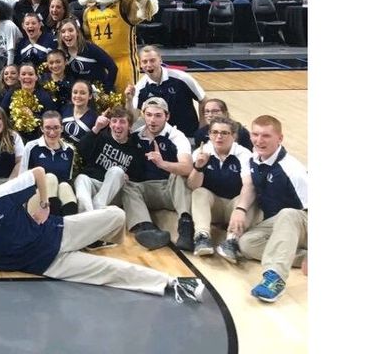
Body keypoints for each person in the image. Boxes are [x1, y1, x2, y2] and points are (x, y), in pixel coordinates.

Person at [0, 167, 204, 303]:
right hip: (48, 263)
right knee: (111, 271)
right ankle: (172, 283)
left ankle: (97, 241)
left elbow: (38, 173)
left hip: (57, 230)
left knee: (116, 215)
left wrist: (44, 203)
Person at [218, 115, 309, 302]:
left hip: (301, 222)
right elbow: (250, 187)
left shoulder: (292, 170)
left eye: (266, 136)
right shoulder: (253, 159)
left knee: (288, 214)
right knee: (247, 244)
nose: (259, 140)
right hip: (278, 225)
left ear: (280, 138)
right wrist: (240, 210)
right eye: (255, 134)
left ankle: (275, 278)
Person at [120, 97, 195, 251]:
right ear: (143, 115)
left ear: (167, 116)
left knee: (179, 175)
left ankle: (186, 226)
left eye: (158, 115)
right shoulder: (135, 136)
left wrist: (162, 164)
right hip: (147, 190)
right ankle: (146, 229)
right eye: (148, 115)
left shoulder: (176, 136)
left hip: (170, 189)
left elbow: (187, 167)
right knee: (126, 185)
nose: (152, 120)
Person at [186, 116, 253, 257]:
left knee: (247, 198)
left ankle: (232, 241)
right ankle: (202, 237)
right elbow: (192, 186)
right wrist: (198, 167)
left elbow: (248, 184)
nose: (219, 137)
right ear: (209, 135)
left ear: (234, 136)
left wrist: (240, 209)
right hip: (213, 207)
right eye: (214, 132)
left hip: (234, 206)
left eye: (224, 133)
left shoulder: (244, 155)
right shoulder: (201, 152)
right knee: (199, 192)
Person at [71, 106, 145, 214]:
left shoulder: (134, 149)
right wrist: (96, 128)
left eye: (122, 122)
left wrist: (129, 178)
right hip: (93, 183)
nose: (117, 126)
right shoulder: (101, 136)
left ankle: (94, 210)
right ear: (109, 124)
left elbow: (139, 176)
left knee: (117, 171)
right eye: (114, 121)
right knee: (81, 178)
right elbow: (81, 149)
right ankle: (90, 214)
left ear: (129, 126)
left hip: (113, 193)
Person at [131, 45, 206, 139]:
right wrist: (129, 100)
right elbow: (134, 116)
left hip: (189, 135)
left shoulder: (182, 78)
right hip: (161, 139)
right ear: (140, 64)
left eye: (152, 60)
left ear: (160, 60)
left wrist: (202, 129)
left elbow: (203, 100)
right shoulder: (140, 88)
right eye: (144, 61)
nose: (149, 65)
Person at [21, 110, 79, 216]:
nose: (52, 132)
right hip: (35, 201)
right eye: (48, 128)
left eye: (56, 127)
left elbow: (67, 178)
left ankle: (66, 221)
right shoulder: (31, 147)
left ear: (62, 128)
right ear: (42, 129)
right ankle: (50, 220)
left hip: (59, 200)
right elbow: (22, 179)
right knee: (50, 178)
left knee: (65, 186)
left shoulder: (69, 150)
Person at [56, 19, 118, 92]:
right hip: (80, 94)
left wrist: (106, 90)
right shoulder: (62, 54)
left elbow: (112, 67)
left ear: (77, 32)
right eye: (63, 31)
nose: (67, 34)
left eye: (71, 30)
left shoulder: (90, 48)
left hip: (99, 93)